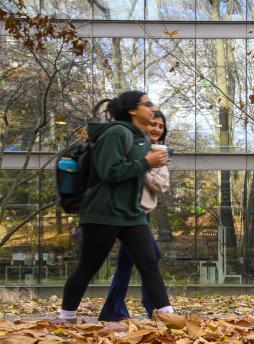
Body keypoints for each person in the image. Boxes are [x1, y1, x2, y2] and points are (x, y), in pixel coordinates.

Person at [59, 91, 173, 322]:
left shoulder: (140, 138)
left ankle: (169, 317)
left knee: (149, 263)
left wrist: (150, 166)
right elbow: (108, 172)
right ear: (132, 110)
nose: (153, 108)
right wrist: (146, 163)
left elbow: (136, 174)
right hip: (103, 212)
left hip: (132, 214)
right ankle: (66, 317)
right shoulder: (116, 133)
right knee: (88, 267)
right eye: (147, 104)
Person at [98, 108, 170, 322]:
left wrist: (146, 167)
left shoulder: (159, 151)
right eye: (153, 124)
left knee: (126, 263)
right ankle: (154, 307)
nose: (156, 129)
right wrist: (145, 165)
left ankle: (113, 309)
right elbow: (119, 172)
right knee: (151, 256)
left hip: (142, 214)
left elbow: (161, 185)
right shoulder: (131, 146)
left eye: (160, 126)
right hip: (126, 213)